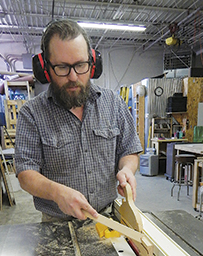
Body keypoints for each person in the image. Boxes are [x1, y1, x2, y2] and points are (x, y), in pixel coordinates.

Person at [15, 19, 142, 223]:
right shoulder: (32, 113)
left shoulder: (113, 103)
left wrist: (127, 169)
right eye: (63, 67)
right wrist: (57, 192)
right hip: (57, 223)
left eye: (80, 65)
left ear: (92, 63)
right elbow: (25, 172)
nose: (73, 76)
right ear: (45, 68)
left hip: (109, 218)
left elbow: (129, 149)